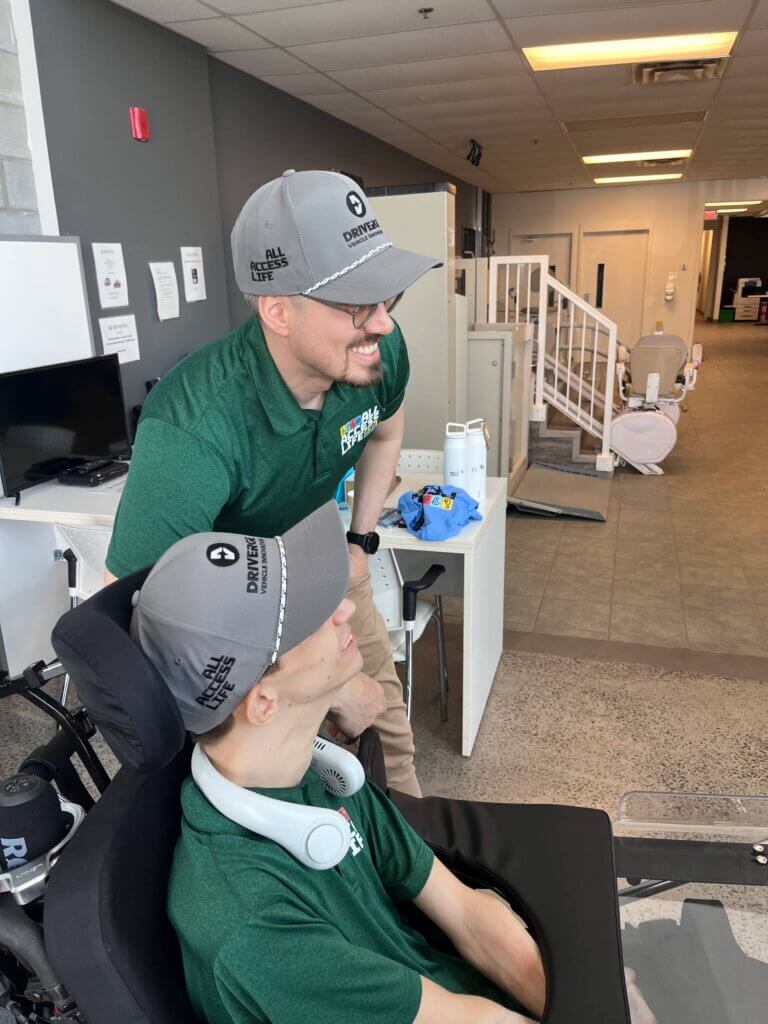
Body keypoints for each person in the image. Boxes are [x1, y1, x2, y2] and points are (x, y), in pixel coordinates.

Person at [130, 501, 547, 1024]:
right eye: (310, 617)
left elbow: (464, 911)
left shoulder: (309, 774)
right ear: (263, 702)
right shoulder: (250, 927)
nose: (345, 609)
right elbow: (466, 1021)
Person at [106, 169, 442, 797]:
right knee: (280, 784)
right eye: (356, 304)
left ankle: (406, 840)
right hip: (238, 622)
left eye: (386, 297)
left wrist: (359, 542)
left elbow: (386, 432)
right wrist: (329, 688)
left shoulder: (375, 355)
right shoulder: (194, 426)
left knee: (388, 731)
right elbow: (149, 625)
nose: (383, 324)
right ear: (277, 310)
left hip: (324, 569)